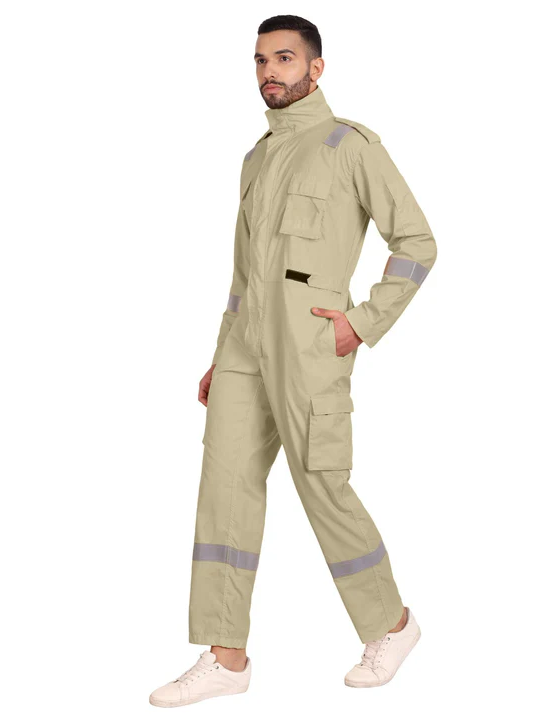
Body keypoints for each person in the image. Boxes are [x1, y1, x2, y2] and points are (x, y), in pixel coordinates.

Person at [149, 14, 437, 708]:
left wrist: (362, 324)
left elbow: (417, 243)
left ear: (316, 68)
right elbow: (244, 274)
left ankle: (392, 625)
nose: (269, 72)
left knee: (322, 487)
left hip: (311, 347)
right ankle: (226, 657)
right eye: (260, 60)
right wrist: (221, 353)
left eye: (283, 58)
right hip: (243, 348)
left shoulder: (349, 145)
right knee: (224, 491)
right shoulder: (256, 158)